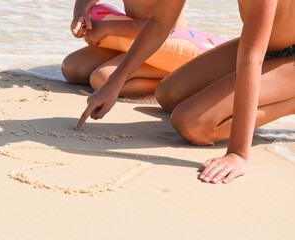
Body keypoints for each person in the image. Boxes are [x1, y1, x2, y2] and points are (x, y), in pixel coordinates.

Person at [77, 0, 295, 184]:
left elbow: (250, 60)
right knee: (168, 94)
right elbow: (161, 23)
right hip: (266, 46)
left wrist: (237, 154)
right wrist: (115, 83)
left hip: (279, 54)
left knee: (192, 123)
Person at [61, 0, 188, 97]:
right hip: (131, 38)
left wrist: (107, 28)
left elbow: (161, 27)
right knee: (71, 68)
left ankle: (170, 85)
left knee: (101, 79)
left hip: (167, 44)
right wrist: (80, 12)